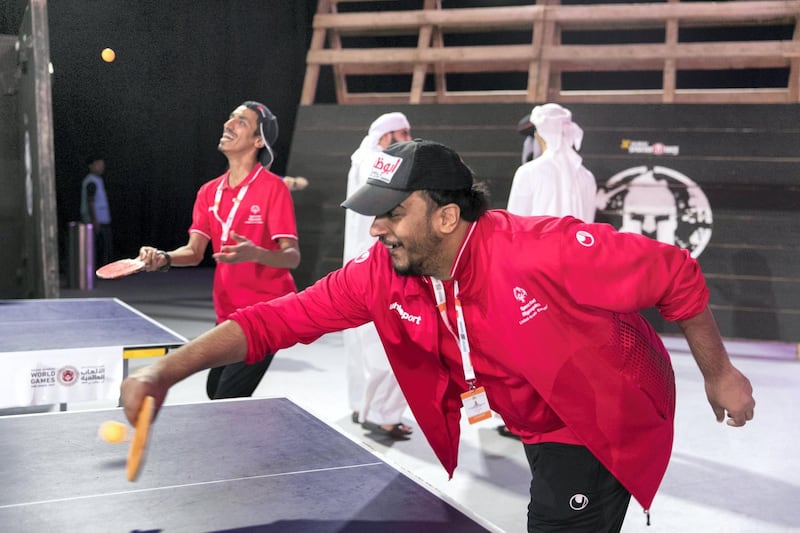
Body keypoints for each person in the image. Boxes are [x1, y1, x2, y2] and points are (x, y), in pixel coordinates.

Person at [121, 139, 755, 532]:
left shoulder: (541, 250)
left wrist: (719, 372)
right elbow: (274, 320)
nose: (376, 231)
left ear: (448, 216)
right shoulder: (382, 275)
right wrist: (167, 369)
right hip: (530, 413)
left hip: (597, 413)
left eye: (393, 214)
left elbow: (677, 273)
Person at [136, 100, 301, 399]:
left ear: (258, 140)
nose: (228, 124)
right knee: (216, 396)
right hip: (228, 315)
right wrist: (164, 259)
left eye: (241, 122)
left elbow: (292, 256)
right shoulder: (208, 192)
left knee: (225, 402)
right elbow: (194, 252)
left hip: (268, 314)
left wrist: (257, 254)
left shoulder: (272, 188)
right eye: (229, 118)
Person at [498, 103, 598, 439]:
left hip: (530, 278)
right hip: (575, 281)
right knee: (564, 351)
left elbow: (511, 230)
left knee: (524, 349)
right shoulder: (587, 177)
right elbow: (590, 234)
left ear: (542, 132)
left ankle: (527, 417)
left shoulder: (528, 173)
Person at [344, 112, 413, 439]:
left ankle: (363, 407)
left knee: (361, 342)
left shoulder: (360, 160)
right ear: (385, 136)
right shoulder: (379, 162)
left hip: (358, 267)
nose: (409, 139)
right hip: (381, 265)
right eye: (404, 132)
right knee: (389, 342)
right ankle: (384, 416)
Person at [507, 103, 597, 223]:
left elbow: (514, 225)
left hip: (538, 242)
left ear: (539, 135)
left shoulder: (528, 172)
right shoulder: (587, 177)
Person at [80, 156, 113, 266]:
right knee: (98, 248)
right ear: (91, 166)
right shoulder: (91, 181)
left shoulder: (98, 180)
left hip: (102, 219)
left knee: (104, 247)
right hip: (96, 221)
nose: (101, 167)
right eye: (99, 165)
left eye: (102, 165)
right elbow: (90, 202)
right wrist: (94, 220)